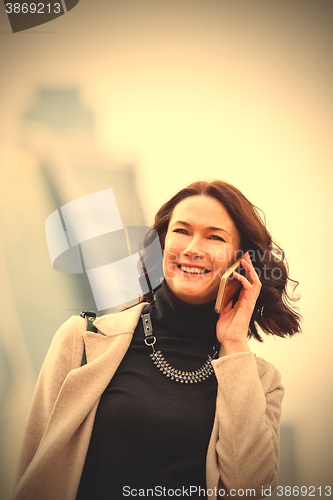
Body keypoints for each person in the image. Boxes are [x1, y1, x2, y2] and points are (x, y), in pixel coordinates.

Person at [12, 180, 301, 500]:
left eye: (214, 236)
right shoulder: (82, 339)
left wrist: (233, 344)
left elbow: (252, 490)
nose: (193, 247)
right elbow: (33, 472)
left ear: (240, 263)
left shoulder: (261, 383)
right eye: (181, 231)